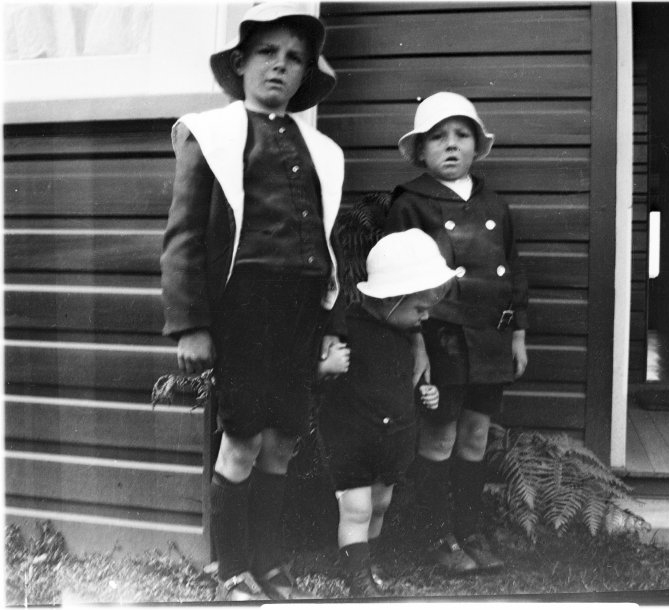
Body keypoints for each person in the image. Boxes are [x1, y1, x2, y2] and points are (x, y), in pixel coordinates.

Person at [159, 3, 344, 602]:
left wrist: (328, 325)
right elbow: (184, 237)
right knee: (241, 439)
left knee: (282, 439)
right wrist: (190, 325)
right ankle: (232, 569)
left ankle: (270, 563)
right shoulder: (209, 135)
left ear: (305, 74)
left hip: (299, 310)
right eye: (267, 53)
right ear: (240, 63)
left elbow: (327, 245)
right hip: (242, 308)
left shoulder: (321, 151)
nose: (280, 66)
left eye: (294, 59)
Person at [384, 91, 529, 574]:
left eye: (462, 135)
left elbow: (514, 271)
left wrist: (518, 334)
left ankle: (469, 530)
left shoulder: (495, 204)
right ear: (420, 151)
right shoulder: (410, 203)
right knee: (439, 436)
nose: (451, 145)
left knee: (476, 436)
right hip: (440, 338)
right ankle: (435, 537)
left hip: (489, 339)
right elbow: (398, 285)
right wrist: (416, 344)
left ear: (476, 146)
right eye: (438, 137)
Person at [319, 229, 455, 597]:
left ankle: (369, 561)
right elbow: (319, 379)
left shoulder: (408, 336)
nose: (425, 316)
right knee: (357, 509)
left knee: (380, 504)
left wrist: (425, 393)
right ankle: (357, 579)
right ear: (392, 299)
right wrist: (325, 366)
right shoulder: (348, 327)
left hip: (392, 439)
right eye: (419, 308)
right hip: (352, 438)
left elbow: (404, 384)